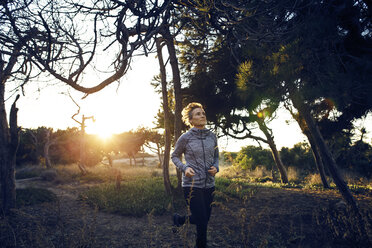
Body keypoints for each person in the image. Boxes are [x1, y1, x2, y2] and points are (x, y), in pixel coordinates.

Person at [171, 102, 219, 248]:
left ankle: (179, 220)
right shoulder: (185, 137)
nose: (202, 115)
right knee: (202, 222)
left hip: (210, 185)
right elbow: (174, 156)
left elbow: (216, 156)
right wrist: (184, 168)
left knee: (203, 219)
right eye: (198, 114)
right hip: (192, 185)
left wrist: (216, 167)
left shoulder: (212, 137)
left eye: (203, 113)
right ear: (190, 120)